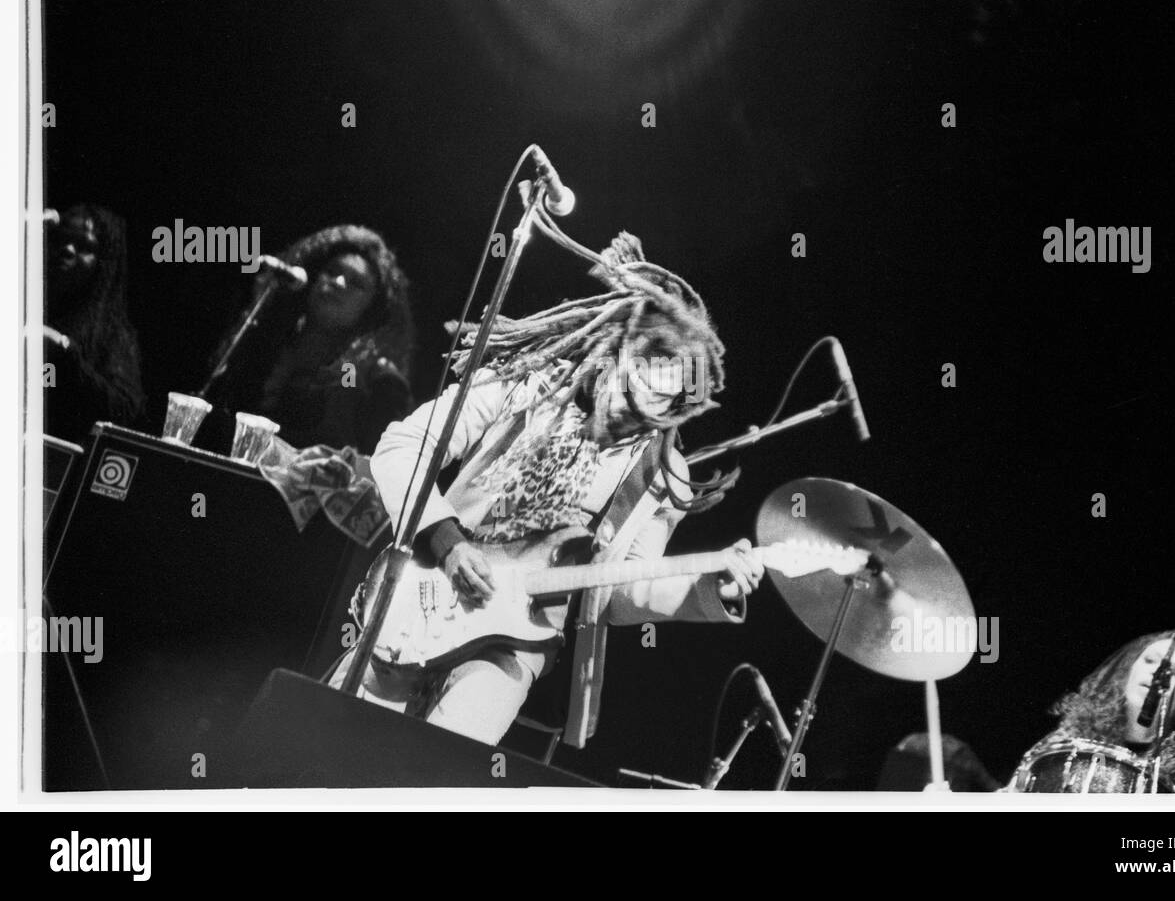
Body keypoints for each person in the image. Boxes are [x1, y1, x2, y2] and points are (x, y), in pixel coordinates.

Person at [330, 231, 763, 749]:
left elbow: (620, 593)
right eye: (630, 390)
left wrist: (706, 587)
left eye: (660, 407)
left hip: (517, 641)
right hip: (423, 594)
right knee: (330, 747)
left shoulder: (660, 474)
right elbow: (405, 446)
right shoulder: (525, 381)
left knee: (439, 773)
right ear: (612, 350)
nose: (632, 414)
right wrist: (448, 542)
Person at [205, 224, 414, 454]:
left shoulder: (364, 375)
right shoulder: (263, 343)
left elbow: (367, 458)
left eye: (356, 283)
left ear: (371, 309)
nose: (338, 282)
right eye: (333, 271)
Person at [1011, 630, 1175, 793]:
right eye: (1150, 661)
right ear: (1128, 671)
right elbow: (1019, 786)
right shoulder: (1072, 735)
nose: (1159, 673)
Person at [43, 204, 146, 443]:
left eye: (84, 247)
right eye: (61, 239)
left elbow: (124, 409)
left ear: (103, 262)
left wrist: (65, 353)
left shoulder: (110, 332)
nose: (67, 250)